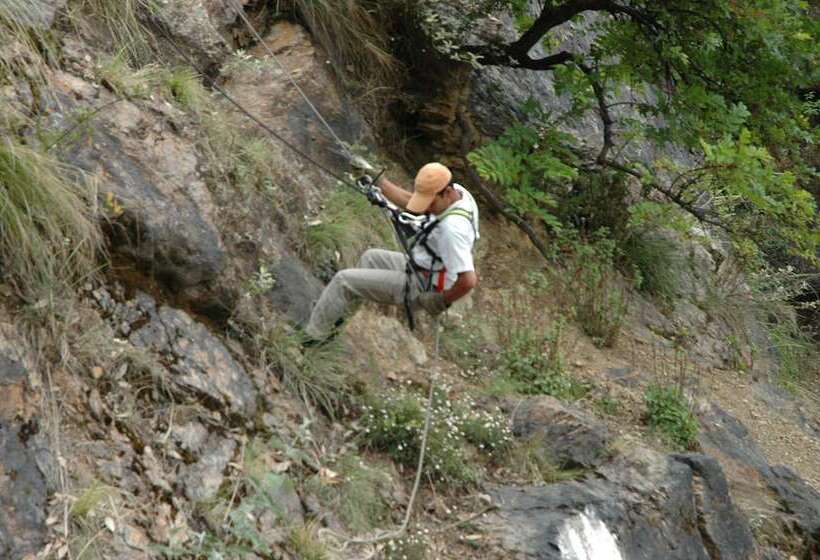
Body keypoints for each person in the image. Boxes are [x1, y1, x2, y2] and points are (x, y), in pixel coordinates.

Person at [304, 162, 480, 342]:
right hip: (422, 267)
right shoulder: (460, 194)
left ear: (448, 193)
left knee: (343, 280)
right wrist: (379, 181)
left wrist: (440, 301)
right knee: (371, 258)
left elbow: (468, 281)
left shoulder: (453, 230)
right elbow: (411, 202)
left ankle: (311, 339)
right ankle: (333, 323)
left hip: (425, 286)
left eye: (430, 202)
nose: (426, 208)